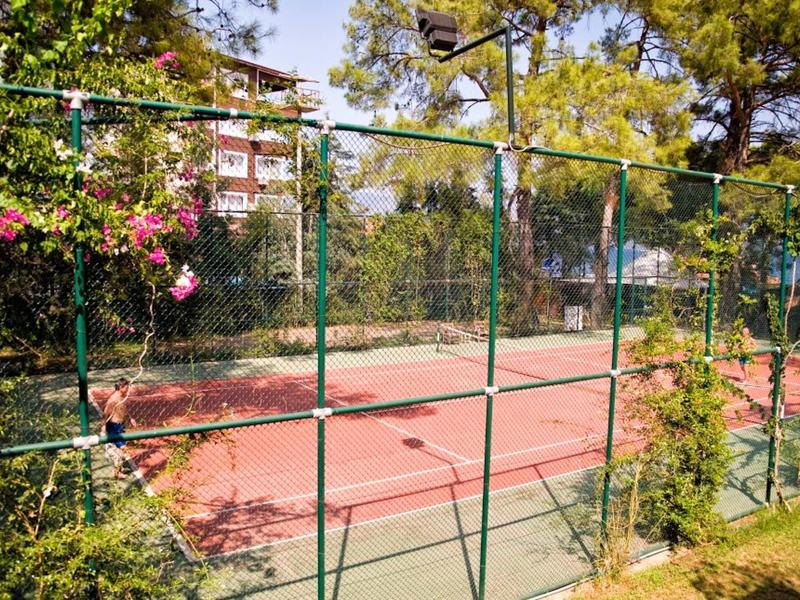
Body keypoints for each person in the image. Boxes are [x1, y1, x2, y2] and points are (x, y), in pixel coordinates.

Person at [101, 378, 137, 479]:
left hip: (120, 425)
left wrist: (130, 418)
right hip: (114, 427)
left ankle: (119, 468)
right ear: (121, 387)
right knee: (121, 448)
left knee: (120, 449)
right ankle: (116, 473)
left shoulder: (123, 397)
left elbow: (124, 409)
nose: (128, 388)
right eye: (126, 387)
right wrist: (103, 427)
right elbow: (105, 414)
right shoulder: (113, 399)